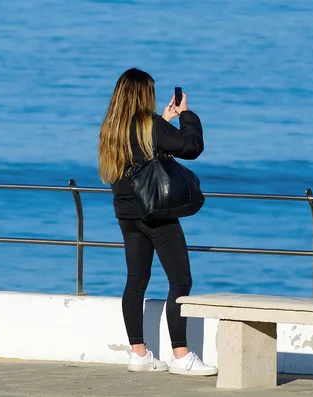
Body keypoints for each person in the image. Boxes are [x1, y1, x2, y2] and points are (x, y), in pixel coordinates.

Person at [98, 68, 217, 376]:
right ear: (143, 94)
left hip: (126, 216)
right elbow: (192, 148)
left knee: (135, 281)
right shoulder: (149, 125)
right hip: (156, 215)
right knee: (180, 281)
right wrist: (187, 115)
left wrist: (164, 121)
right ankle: (181, 356)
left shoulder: (112, 128)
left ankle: (139, 354)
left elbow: (142, 150)